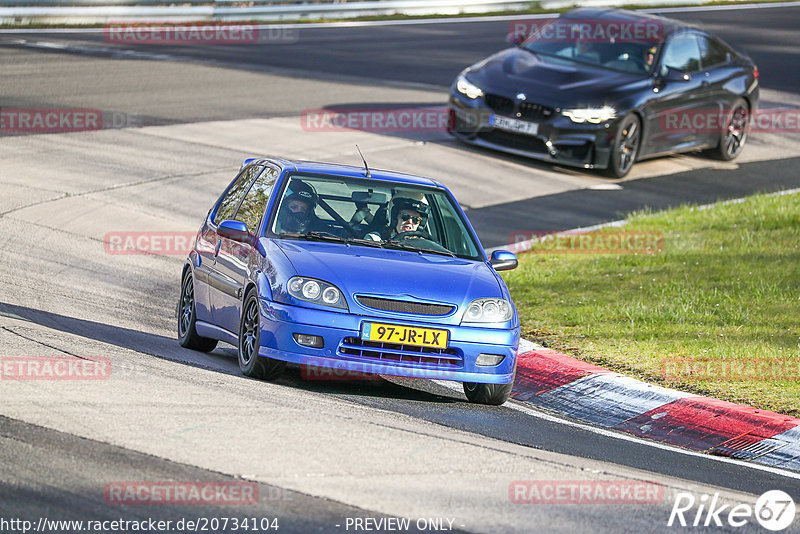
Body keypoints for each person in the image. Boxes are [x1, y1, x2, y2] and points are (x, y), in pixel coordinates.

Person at [365, 196, 429, 241]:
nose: (410, 222)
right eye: (405, 216)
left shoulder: (425, 245)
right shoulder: (375, 239)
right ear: (395, 218)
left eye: (416, 220)